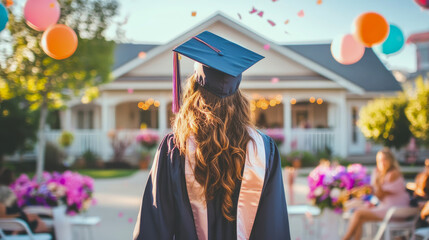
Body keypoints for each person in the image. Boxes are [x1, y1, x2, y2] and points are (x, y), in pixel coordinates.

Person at [133, 31, 291, 240]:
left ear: (194, 91)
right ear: (238, 95)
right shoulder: (264, 148)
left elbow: (153, 226)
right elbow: (272, 225)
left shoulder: (175, 148)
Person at [342, 148, 410, 240]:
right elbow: (377, 195)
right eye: (379, 160)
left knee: (358, 214)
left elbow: (380, 194)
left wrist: (375, 182)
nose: (382, 163)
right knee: (358, 217)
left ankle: (345, 239)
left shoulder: (393, 173)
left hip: (395, 211)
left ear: (390, 160)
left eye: (384, 159)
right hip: (387, 208)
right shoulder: (382, 174)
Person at [0, 168, 50, 234]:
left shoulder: (4, 190)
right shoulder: (6, 191)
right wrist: (20, 215)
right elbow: (3, 214)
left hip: (12, 222)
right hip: (12, 223)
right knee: (36, 221)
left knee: (35, 219)